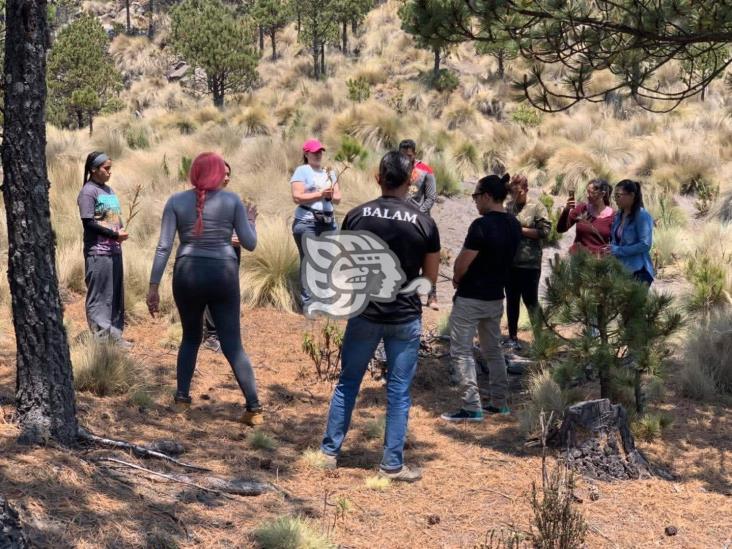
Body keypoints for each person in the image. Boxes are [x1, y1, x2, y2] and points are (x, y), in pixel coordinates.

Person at [320, 151, 440, 482]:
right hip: (404, 316)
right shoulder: (424, 222)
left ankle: (329, 452)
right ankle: (391, 464)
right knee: (398, 391)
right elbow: (428, 281)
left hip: (365, 312)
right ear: (411, 180)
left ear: (378, 177)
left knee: (348, 382)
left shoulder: (357, 216)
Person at [146, 152, 262, 425]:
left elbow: (163, 246)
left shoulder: (175, 201)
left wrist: (153, 286)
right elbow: (250, 243)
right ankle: (254, 409)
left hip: (187, 273)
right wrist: (252, 221)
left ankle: (182, 400)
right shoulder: (232, 200)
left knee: (190, 337)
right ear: (218, 174)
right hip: (223, 273)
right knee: (233, 344)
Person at [441, 174, 522, 422]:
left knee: (462, 351)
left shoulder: (481, 225)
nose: (475, 201)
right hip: (496, 297)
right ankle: (499, 402)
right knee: (493, 350)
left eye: (476, 196)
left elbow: (463, 262)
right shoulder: (514, 224)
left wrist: (456, 278)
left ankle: (471, 406)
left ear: (487, 195)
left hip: (471, 297)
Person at [77, 151, 130, 346]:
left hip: (114, 251)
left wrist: (120, 228)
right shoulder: (88, 192)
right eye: (106, 168)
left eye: (110, 168)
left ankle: (114, 337)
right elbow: (88, 223)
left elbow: (113, 217)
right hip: (98, 252)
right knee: (99, 296)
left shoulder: (109, 190)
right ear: (93, 169)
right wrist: (115, 235)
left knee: (114, 295)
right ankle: (100, 340)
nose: (110, 172)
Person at [291, 138, 341, 309]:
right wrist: (320, 194)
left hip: (328, 222)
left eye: (320, 152)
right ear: (306, 154)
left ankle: (325, 300)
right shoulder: (302, 171)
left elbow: (338, 198)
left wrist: (331, 194)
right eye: (314, 152)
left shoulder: (330, 172)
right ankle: (308, 302)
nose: (318, 155)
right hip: (307, 222)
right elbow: (297, 196)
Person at [504, 174, 551, 352]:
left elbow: (545, 231)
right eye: (512, 191)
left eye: (518, 191)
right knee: (512, 300)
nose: (515, 195)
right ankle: (512, 337)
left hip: (530, 263)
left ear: (525, 189)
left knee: (531, 301)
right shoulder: (508, 207)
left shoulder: (537, 206)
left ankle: (540, 339)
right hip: (510, 263)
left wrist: (520, 230)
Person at [202, 161, 243, 353]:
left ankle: (224, 333)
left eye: (229, 174)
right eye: (223, 174)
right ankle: (211, 335)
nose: (226, 178)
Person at [398, 139, 438, 310]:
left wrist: (419, 214)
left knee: (427, 258)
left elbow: (431, 196)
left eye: (409, 155)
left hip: (421, 220)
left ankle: (432, 295)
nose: (406, 158)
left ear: (414, 153)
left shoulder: (425, 170)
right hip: (399, 218)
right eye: (402, 155)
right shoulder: (396, 169)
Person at [610, 180, 655, 285]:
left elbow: (645, 244)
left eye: (619, 196)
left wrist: (619, 250)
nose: (615, 200)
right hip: (620, 271)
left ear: (631, 195)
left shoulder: (642, 216)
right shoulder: (618, 216)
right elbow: (616, 240)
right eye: (614, 196)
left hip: (638, 271)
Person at [557, 179, 615, 255]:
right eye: (587, 192)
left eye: (591, 193)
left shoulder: (613, 216)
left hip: (598, 262)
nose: (587, 196)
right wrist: (566, 210)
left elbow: (615, 243)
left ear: (602, 194)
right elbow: (561, 229)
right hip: (577, 259)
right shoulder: (581, 208)